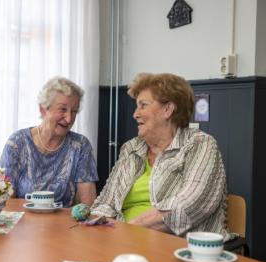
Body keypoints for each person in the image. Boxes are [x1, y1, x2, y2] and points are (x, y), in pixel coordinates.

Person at [91, 73, 231, 240]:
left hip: (179, 247)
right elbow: (105, 203)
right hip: (123, 241)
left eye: (143, 105)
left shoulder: (200, 144)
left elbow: (188, 207)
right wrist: (97, 230)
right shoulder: (132, 148)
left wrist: (126, 231)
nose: (135, 114)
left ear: (168, 109)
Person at [0, 77, 98, 207]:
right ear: (43, 109)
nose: (69, 119)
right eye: (62, 109)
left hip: (64, 223)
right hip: (23, 220)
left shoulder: (80, 145)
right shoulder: (17, 143)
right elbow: (6, 201)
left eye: (74, 111)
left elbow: (89, 203)